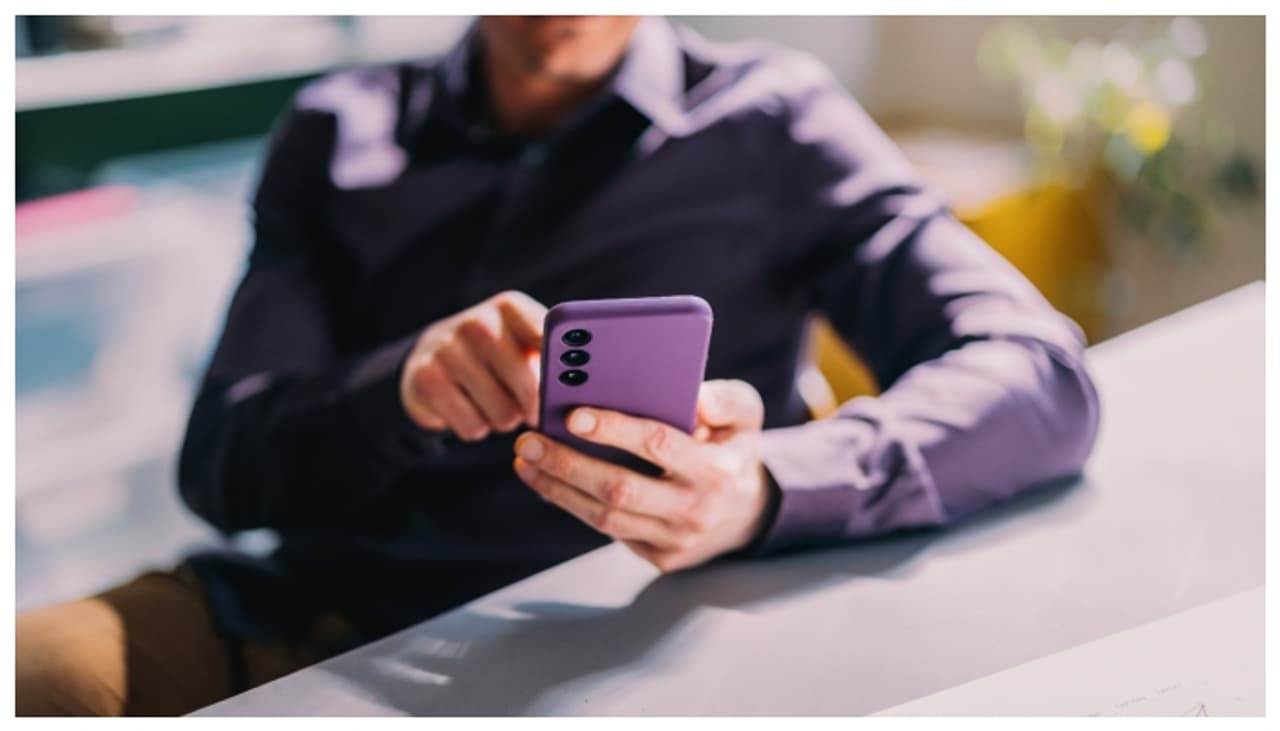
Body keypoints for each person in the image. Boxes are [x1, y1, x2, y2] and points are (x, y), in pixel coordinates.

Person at [16, 15, 1100, 715]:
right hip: (317, 612)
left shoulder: (772, 121)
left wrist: (766, 485)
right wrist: (398, 388)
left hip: (643, 634)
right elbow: (222, 468)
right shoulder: (335, 129)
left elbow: (1037, 372)